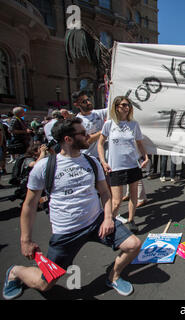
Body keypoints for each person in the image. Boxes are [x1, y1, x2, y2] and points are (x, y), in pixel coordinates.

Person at [2, 118, 142, 300]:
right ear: (68, 139)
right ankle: (16, 272)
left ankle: (113, 276)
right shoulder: (44, 167)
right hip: (66, 233)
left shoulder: (92, 162)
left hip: (96, 222)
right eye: (83, 134)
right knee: (45, 284)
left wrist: (108, 218)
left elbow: (105, 194)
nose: (88, 136)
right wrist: (25, 240)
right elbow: (29, 205)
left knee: (134, 245)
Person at [98, 96, 149, 233]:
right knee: (117, 201)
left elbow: (139, 142)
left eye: (128, 105)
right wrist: (103, 161)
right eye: (124, 105)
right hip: (116, 167)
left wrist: (145, 156)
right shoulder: (109, 124)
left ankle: (131, 220)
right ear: (116, 107)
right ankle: (110, 222)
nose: (127, 107)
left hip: (133, 165)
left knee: (133, 195)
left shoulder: (134, 124)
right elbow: (100, 143)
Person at [73, 90, 108, 159]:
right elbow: (87, 140)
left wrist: (111, 87)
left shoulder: (98, 113)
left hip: (103, 156)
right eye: (84, 102)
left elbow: (113, 108)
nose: (88, 103)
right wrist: (104, 130)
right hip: (89, 157)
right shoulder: (77, 122)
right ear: (76, 105)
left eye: (88, 100)